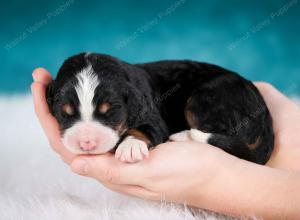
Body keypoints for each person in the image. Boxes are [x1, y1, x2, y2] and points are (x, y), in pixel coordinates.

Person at [31, 68, 300, 219]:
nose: (87, 138)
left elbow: (153, 127)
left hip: (221, 94)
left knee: (204, 103)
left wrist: (138, 137)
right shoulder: (123, 90)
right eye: (68, 117)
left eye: (106, 115)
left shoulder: (134, 96)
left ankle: (209, 136)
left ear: (128, 102)